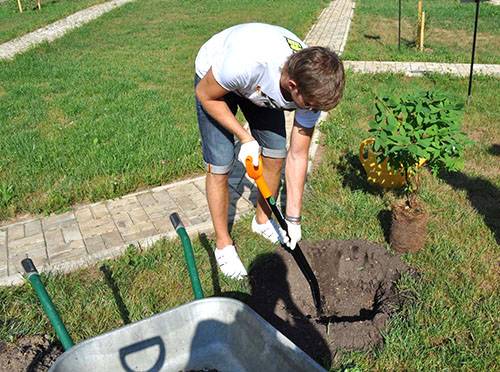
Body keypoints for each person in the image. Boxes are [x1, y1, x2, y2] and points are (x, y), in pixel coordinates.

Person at [194, 23, 345, 279]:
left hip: (257, 87)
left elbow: (298, 154)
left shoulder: (312, 87)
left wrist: (293, 219)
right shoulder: (245, 63)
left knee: (276, 153)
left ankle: (263, 221)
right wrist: (245, 138)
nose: (311, 110)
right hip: (216, 81)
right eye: (308, 105)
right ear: (292, 85)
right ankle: (223, 245)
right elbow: (205, 95)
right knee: (220, 165)